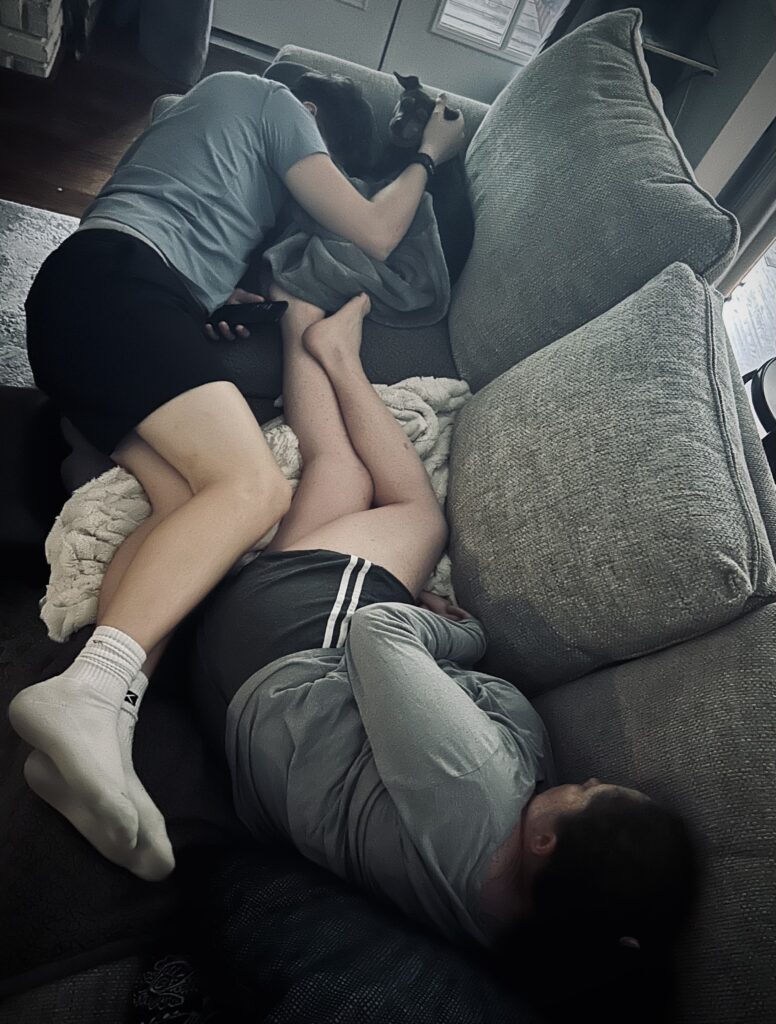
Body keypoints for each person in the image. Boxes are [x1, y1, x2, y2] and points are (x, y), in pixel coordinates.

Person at [9, 68, 466, 880]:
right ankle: (88, 691)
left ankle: (100, 726)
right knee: (254, 490)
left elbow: (190, 222)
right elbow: (375, 232)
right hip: (117, 283)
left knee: (183, 505)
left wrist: (216, 299)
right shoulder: (270, 99)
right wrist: (430, 152)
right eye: (321, 156)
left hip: (87, 305)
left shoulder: (208, 136)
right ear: (310, 110)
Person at [187, 287, 700, 977]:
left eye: (588, 791)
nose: (589, 778)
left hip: (281, 655)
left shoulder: (476, 788)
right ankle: (301, 322)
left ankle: (337, 356)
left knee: (420, 518)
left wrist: (465, 635)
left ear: (545, 842)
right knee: (340, 473)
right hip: (246, 725)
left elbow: (375, 633)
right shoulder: (495, 930)